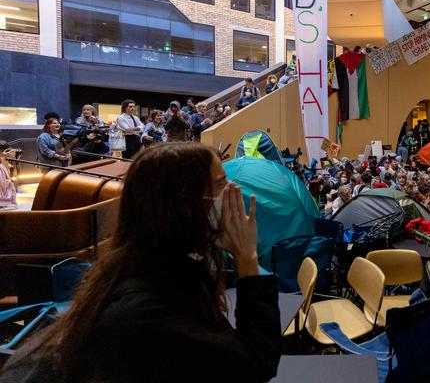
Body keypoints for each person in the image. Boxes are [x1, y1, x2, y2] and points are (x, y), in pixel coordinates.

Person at [0, 143, 281, 383]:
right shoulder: (151, 309)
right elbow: (253, 365)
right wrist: (247, 258)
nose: (233, 191)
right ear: (186, 203)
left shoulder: (146, 265)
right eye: (221, 184)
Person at [0, 141, 17, 209]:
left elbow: (14, 177)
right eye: (5, 151)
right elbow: (3, 185)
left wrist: (16, 160)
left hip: (7, 202)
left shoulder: (5, 164)